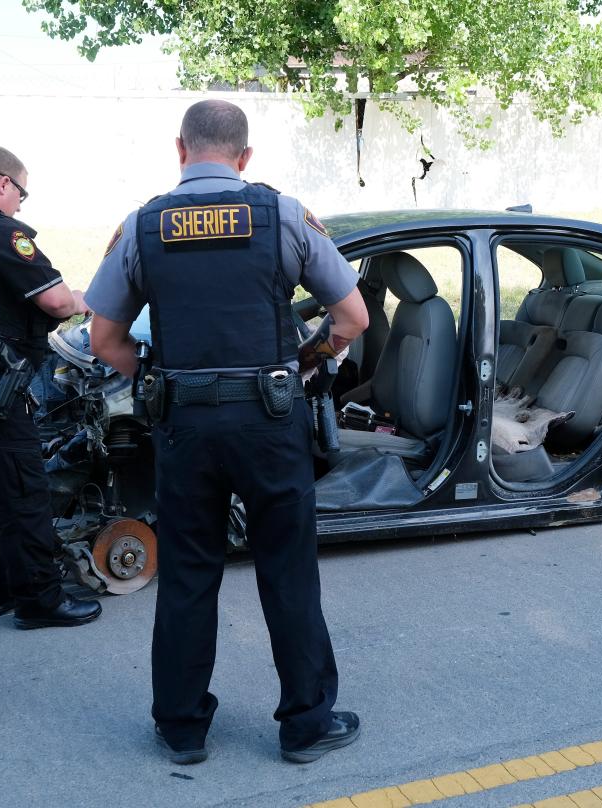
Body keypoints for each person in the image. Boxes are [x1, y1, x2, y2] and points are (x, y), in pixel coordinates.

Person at [85, 99, 369, 765]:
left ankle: (182, 728)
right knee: (288, 573)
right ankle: (305, 726)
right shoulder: (283, 215)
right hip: (271, 423)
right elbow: (351, 317)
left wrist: (156, 374)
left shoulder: (143, 224)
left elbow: (103, 337)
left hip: (184, 425)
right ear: (245, 157)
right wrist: (302, 364)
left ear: (180, 150)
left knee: (187, 574)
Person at [0, 147, 102, 630]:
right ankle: (38, 600)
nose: (20, 207)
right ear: (3, 183)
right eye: (21, 194)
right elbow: (53, 300)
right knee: (21, 490)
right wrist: (90, 299)